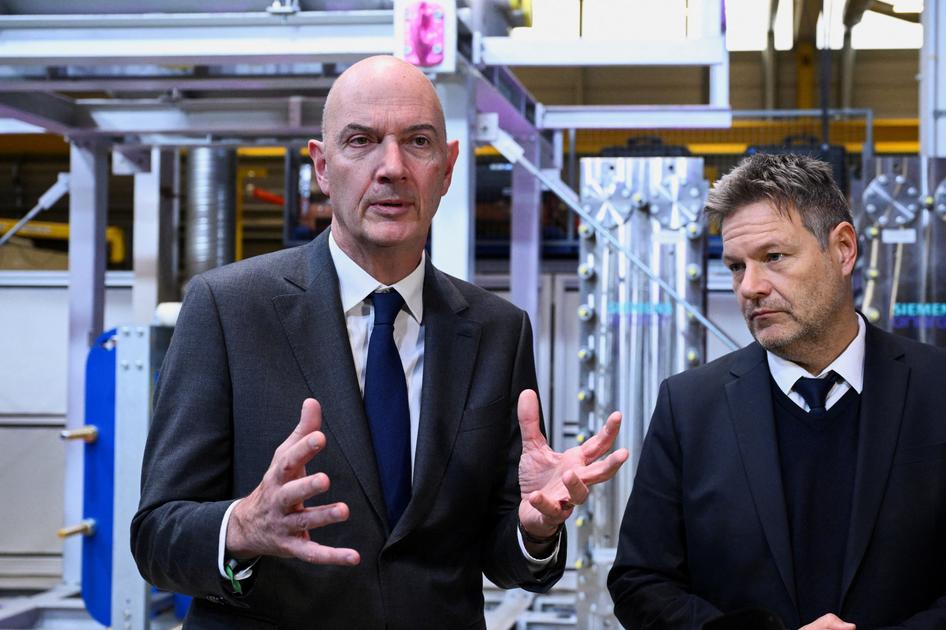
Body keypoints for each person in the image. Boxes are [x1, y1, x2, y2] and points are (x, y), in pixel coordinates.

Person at [131, 55, 628, 629]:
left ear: (447, 168)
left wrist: (533, 528)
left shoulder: (497, 330)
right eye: (361, 141)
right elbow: (157, 535)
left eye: (417, 142)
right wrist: (241, 527)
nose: (392, 168)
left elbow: (500, 552)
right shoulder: (229, 309)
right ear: (322, 167)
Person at [608, 153, 946, 630]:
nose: (750, 287)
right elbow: (640, 582)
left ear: (843, 249)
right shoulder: (689, 408)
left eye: (773, 257)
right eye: (736, 266)